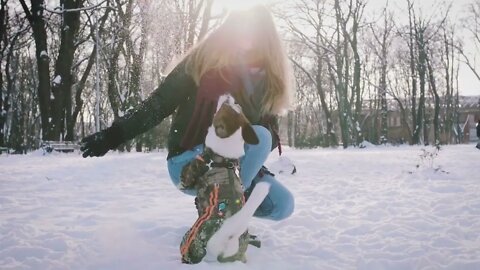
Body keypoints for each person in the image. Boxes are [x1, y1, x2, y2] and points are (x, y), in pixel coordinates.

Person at [81, 5, 294, 221]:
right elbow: (159, 103)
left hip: (233, 165)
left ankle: (221, 204)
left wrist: (247, 152)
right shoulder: (203, 61)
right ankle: (226, 213)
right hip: (191, 160)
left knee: (282, 205)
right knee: (261, 136)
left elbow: (267, 138)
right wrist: (114, 134)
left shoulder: (268, 81)